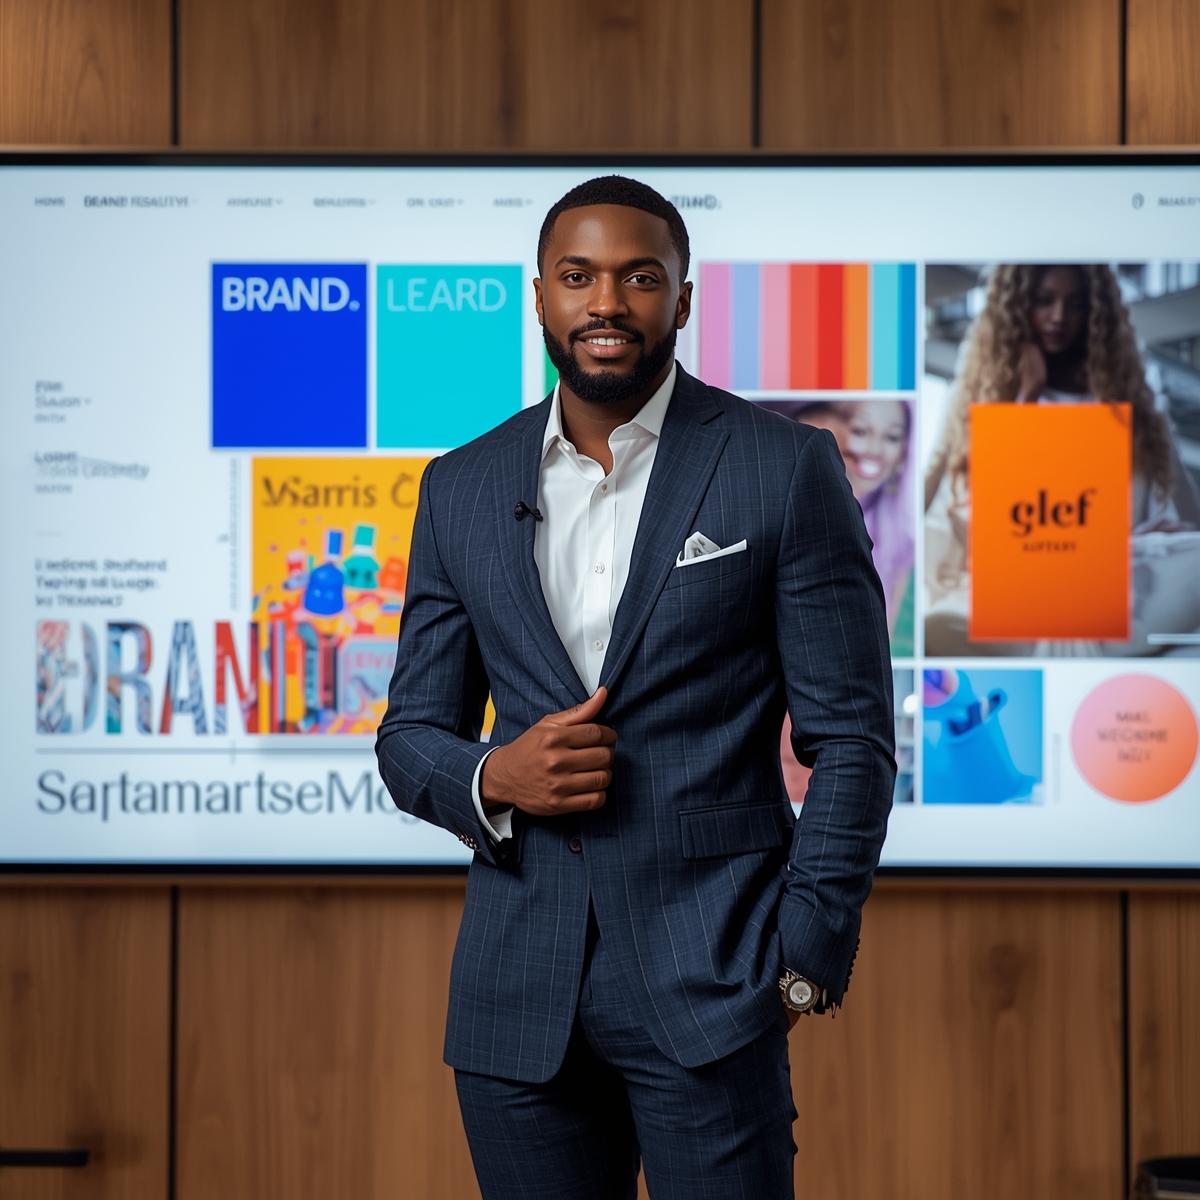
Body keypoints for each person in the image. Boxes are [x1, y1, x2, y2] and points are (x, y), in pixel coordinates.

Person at [375, 176, 896, 1199]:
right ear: (540, 297)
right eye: (578, 278)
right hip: (514, 998)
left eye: (638, 278)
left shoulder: (782, 467)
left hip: (716, 980)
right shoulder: (461, 486)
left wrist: (804, 952)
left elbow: (854, 739)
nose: (605, 304)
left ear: (683, 301)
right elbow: (410, 735)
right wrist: (496, 775)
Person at [924, 263, 1200, 657]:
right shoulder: (981, 390)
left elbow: (1174, 508)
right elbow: (986, 513)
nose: (1058, 316)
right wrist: (1027, 397)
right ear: (1018, 307)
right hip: (1014, 581)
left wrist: (1157, 539)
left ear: (1094, 313)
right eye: (1044, 301)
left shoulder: (1126, 398)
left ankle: (1072, 633)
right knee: (940, 622)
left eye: (1074, 305)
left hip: (1106, 583)